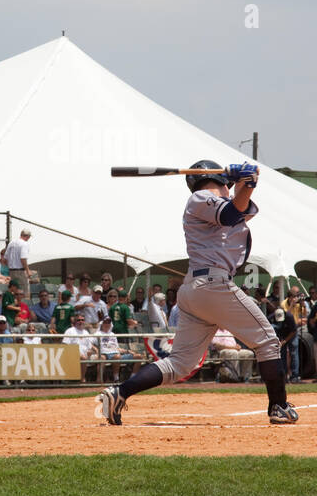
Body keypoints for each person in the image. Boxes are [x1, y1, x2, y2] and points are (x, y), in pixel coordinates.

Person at [97, 161, 296, 425]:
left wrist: (246, 181)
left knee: (180, 363)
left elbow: (239, 209)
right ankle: (278, 406)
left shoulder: (223, 203)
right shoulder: (200, 198)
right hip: (212, 285)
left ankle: (120, 393)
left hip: (199, 289)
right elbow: (229, 212)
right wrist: (241, 182)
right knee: (268, 340)